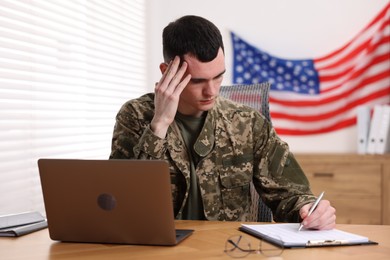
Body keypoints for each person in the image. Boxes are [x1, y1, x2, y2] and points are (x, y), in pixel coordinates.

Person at [110, 15, 336, 230]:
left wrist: (309, 210)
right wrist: (159, 124)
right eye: (198, 81)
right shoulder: (135, 116)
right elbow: (122, 201)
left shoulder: (247, 123)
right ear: (167, 71)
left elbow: (292, 194)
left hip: (229, 249)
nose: (212, 90)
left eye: (218, 76)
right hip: (157, 248)